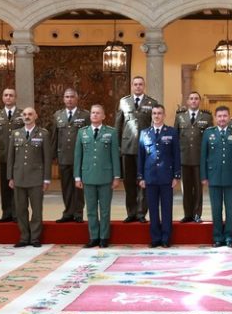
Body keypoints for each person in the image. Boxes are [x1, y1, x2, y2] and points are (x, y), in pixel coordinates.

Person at [75, 105, 121, 249]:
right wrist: (77, 176)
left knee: (105, 209)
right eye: (93, 113)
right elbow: (78, 156)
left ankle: (104, 237)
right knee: (91, 209)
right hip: (88, 175)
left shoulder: (111, 132)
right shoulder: (82, 132)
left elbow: (115, 155)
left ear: (103, 116)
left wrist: (116, 176)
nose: (95, 115)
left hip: (106, 176)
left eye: (98, 113)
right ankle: (93, 237)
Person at [6, 107, 52, 248]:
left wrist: (46, 179)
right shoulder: (15, 134)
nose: (27, 116)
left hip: (36, 178)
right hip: (19, 176)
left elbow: (47, 158)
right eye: (25, 114)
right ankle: (24, 237)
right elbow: (11, 157)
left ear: (35, 116)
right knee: (21, 209)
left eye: (30, 114)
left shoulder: (43, 134)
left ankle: (35, 238)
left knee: (36, 210)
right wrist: (10, 177)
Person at [116, 75, 159, 224]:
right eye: (135, 84)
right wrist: (118, 147)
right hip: (127, 148)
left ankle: (141, 213)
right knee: (129, 182)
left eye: (140, 84)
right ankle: (131, 212)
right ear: (132, 86)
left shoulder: (152, 103)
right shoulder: (124, 102)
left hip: (145, 148)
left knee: (144, 182)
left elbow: (155, 126)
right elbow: (118, 126)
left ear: (144, 86)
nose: (138, 86)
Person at [201, 106, 232, 247]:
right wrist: (204, 176)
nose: (222, 119)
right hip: (213, 177)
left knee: (231, 210)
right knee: (216, 209)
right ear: (215, 117)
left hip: (231, 177)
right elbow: (203, 156)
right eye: (219, 116)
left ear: (229, 117)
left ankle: (229, 238)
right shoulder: (209, 133)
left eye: (225, 116)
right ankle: (217, 238)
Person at [137, 105, 181, 248]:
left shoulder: (172, 132)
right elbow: (141, 157)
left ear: (164, 115)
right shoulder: (144, 133)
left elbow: (176, 155)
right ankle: (155, 238)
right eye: (154, 113)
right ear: (151, 115)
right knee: (153, 209)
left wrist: (176, 175)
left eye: (159, 113)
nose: (156, 116)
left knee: (167, 209)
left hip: (166, 177)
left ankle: (166, 238)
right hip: (150, 177)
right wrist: (141, 177)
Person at [50, 88, 90, 223]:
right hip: (64, 156)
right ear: (63, 99)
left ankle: (78, 213)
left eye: (72, 97)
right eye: (67, 97)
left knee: (78, 187)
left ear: (77, 99)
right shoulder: (58, 115)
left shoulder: (85, 115)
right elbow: (54, 137)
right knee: (66, 186)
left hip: (80, 157)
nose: (69, 99)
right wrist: (53, 154)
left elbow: (89, 137)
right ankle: (68, 212)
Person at [174, 91, 213, 223]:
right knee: (186, 189)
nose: (194, 101)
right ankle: (187, 214)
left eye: (196, 99)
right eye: (191, 98)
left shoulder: (207, 117)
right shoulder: (180, 117)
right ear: (187, 101)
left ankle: (197, 214)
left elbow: (210, 140)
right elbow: (176, 138)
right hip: (184, 158)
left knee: (198, 188)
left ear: (199, 101)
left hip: (199, 159)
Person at [0, 88, 23, 223]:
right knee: (4, 186)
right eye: (6, 95)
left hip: (19, 155)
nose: (8, 97)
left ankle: (16, 213)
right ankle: (6, 212)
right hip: (3, 155)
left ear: (15, 98)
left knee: (17, 185)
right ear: (2, 98)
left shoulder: (22, 114)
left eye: (11, 95)